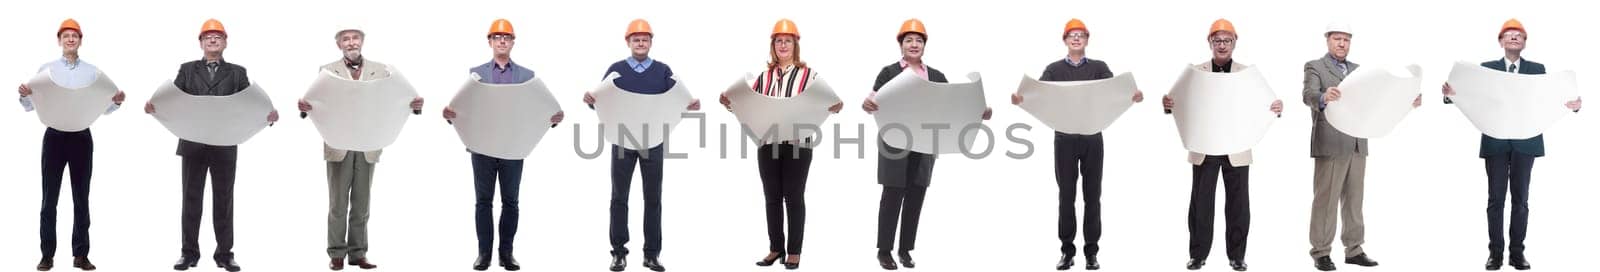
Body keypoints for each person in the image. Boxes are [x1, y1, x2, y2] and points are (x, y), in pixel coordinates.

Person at [1440, 18, 1582, 271]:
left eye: (1519, 35)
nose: (1514, 37)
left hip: (1525, 143)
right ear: (1501, 41)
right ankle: (1495, 254)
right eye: (1509, 34)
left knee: (1521, 200)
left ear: (1525, 42)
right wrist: (1451, 95)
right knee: (1495, 200)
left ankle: (1517, 253)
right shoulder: (1486, 68)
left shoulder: (1538, 69)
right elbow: (1470, 94)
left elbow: (1550, 98)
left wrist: (1574, 105)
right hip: (1495, 141)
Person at [1009, 18, 1142, 271]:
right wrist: (1020, 99)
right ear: (1065, 40)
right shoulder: (1054, 69)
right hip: (1065, 139)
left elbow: (1114, 93)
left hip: (1093, 137)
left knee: (1093, 196)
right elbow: (1039, 93)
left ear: (1087, 40)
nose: (1077, 38)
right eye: (1072, 35)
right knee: (1066, 196)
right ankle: (1067, 252)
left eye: (1081, 35)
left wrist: (1132, 96)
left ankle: (1091, 253)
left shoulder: (1100, 68)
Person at [147, 18, 280, 272]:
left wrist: (267, 117)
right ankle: (189, 253)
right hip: (193, 145)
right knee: (191, 200)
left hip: (224, 145)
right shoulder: (186, 70)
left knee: (224, 200)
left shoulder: (238, 73)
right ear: (200, 42)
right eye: (207, 36)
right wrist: (155, 107)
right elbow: (172, 99)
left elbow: (249, 104)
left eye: (217, 36)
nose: (212, 39)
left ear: (225, 42)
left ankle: (224, 254)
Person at [860, 18, 993, 270]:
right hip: (894, 143)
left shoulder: (936, 76)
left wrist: (980, 111)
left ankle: (905, 250)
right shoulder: (889, 72)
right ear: (901, 44)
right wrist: (866, 104)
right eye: (909, 40)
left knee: (916, 195)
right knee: (892, 195)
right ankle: (885, 250)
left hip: (925, 144)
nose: (914, 44)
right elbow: (872, 101)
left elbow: (955, 104)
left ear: (924, 45)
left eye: (918, 40)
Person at [296, 24, 426, 271]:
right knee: (337, 204)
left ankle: (358, 253)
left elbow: (392, 100)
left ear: (362, 42)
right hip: (338, 144)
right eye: (346, 39)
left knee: (361, 203)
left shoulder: (381, 71)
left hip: (368, 144)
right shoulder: (326, 71)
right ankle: (336, 253)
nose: (351, 42)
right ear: (339, 44)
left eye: (355, 38)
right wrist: (306, 108)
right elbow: (317, 102)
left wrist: (413, 105)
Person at [717, 19, 844, 271]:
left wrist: (835, 106)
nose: (782, 45)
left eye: (787, 41)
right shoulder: (763, 78)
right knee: (772, 196)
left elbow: (829, 102)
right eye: (778, 41)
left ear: (795, 45)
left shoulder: (809, 76)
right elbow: (748, 107)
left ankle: (794, 252)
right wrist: (729, 102)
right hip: (768, 143)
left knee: (794, 197)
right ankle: (776, 248)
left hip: (798, 144)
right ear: (772, 45)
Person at [1161, 18, 1282, 272]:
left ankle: (1237, 256)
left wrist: (1275, 108)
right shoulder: (1195, 72)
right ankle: (1198, 254)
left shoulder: (1247, 74)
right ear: (1210, 42)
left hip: (1236, 148)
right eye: (1217, 41)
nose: (1222, 45)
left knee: (1238, 204)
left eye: (1227, 40)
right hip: (1204, 146)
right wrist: (1168, 104)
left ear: (1235, 43)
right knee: (1201, 203)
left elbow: (1262, 103)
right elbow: (1179, 100)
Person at [582, 18, 701, 272]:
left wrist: (690, 104)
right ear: (628, 42)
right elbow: (601, 101)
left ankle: (651, 254)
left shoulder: (662, 71)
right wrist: (590, 99)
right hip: (623, 140)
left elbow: (678, 98)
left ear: (650, 42)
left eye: (644, 39)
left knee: (653, 198)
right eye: (635, 39)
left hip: (652, 141)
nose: (640, 42)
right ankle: (618, 252)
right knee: (619, 198)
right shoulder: (616, 69)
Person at [20, 18, 125, 272]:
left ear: (80, 40)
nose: (70, 39)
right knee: (49, 200)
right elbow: (31, 105)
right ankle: (47, 255)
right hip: (54, 137)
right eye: (66, 36)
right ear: (59, 40)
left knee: (81, 199)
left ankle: (81, 255)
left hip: (81, 138)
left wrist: (117, 102)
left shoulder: (92, 72)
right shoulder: (46, 70)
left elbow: (103, 107)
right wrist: (24, 95)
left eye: (74, 36)